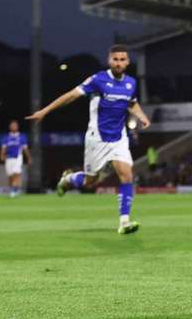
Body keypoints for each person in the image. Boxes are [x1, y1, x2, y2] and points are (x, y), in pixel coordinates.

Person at [26, 44, 151, 234]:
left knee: (126, 175)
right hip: (97, 139)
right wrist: (45, 111)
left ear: (127, 61)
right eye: (115, 59)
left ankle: (124, 222)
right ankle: (68, 179)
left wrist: (142, 116)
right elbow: (71, 95)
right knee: (90, 182)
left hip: (119, 139)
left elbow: (132, 103)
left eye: (122, 59)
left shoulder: (131, 83)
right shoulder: (98, 79)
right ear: (109, 60)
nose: (118, 63)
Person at [0, 120, 31, 198]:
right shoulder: (6, 137)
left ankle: (13, 191)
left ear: (17, 127)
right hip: (9, 159)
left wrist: (28, 158)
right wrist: (2, 155)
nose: (14, 127)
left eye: (15, 125)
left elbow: (25, 149)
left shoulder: (22, 137)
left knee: (16, 174)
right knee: (10, 176)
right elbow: (3, 148)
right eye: (12, 125)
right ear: (10, 127)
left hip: (18, 158)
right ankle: (14, 189)